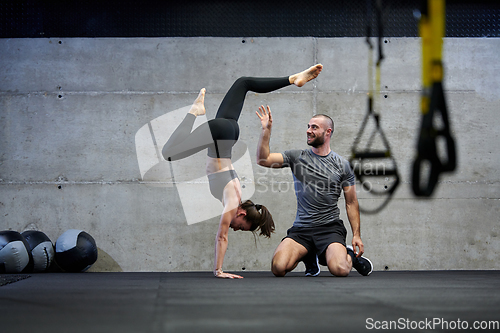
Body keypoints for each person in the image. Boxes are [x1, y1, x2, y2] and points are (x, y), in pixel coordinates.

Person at [161, 64, 324, 278]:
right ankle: (194, 111)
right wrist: (218, 270)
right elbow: (222, 237)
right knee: (169, 153)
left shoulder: (237, 191)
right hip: (219, 134)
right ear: (242, 213)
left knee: (243, 83)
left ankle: (293, 79)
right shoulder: (231, 201)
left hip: (229, 131)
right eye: (242, 227)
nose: (236, 228)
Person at [255, 101, 373, 277]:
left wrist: (357, 235)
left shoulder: (342, 165)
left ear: (328, 132)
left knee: (339, 269)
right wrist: (266, 131)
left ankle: (348, 255)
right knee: (278, 268)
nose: (308, 130)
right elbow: (262, 160)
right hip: (302, 230)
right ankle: (308, 254)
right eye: (308, 126)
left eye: (314, 127)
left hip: (330, 228)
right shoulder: (296, 157)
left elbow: (351, 202)